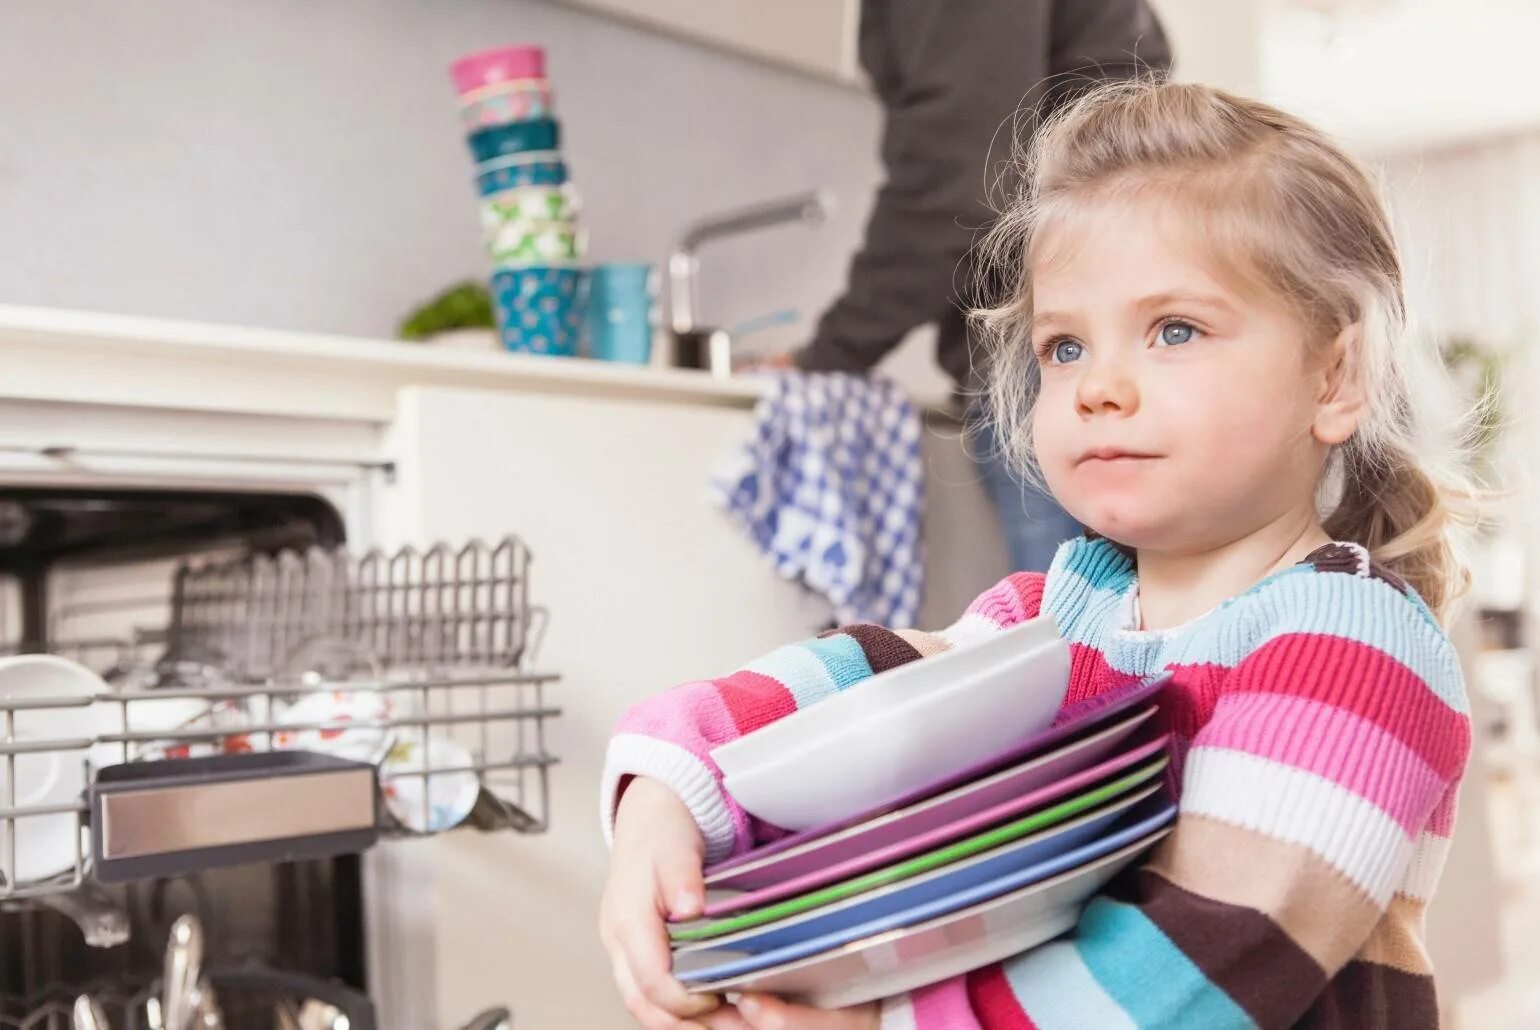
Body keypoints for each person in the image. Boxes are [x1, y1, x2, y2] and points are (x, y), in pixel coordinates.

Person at [600, 80, 1477, 1029]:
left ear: (1335, 376)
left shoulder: (1357, 644)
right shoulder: (1064, 612)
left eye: (1174, 330)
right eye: (1064, 346)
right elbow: (863, 688)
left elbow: (1197, 964)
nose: (1099, 385)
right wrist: (670, 791)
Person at [783, 0, 1171, 573]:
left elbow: (959, 179)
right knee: (1138, 626)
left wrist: (830, 352)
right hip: (1111, 330)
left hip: (1052, 353)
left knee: (1075, 635)